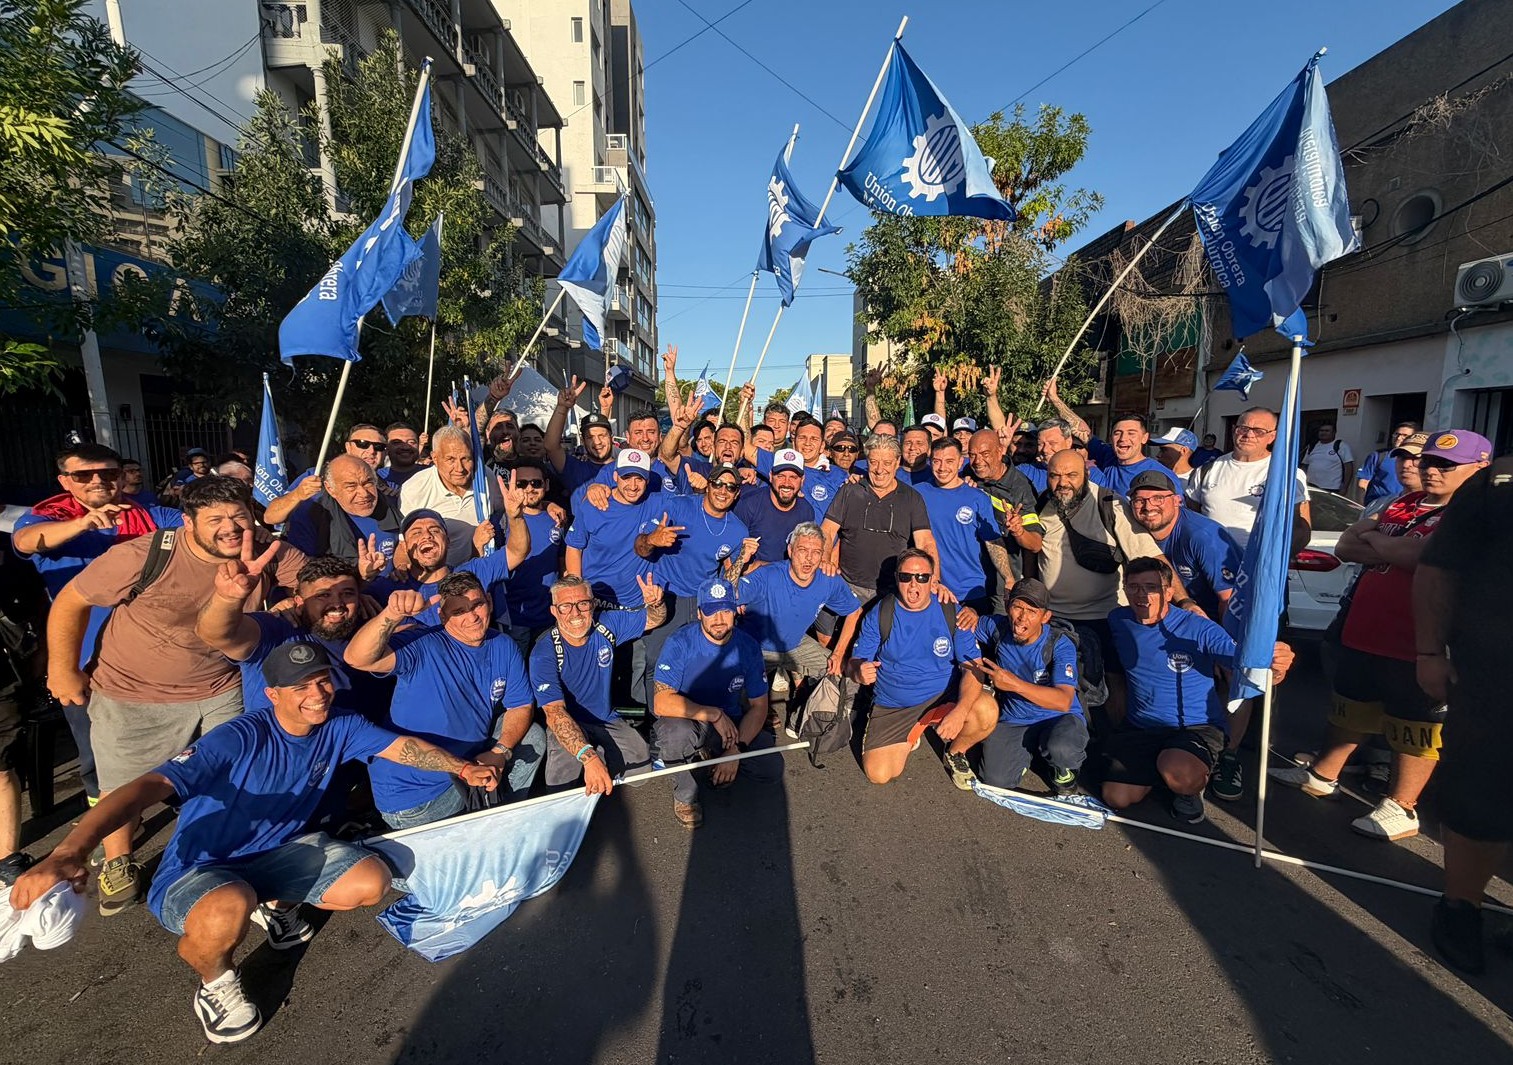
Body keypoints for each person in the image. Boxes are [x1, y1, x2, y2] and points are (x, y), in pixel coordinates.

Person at [8, 640, 500, 1043]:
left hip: (280, 853)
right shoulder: (239, 737)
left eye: (323, 679)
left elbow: (403, 748)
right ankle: (215, 982)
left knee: (370, 882)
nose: (318, 693)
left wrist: (462, 766)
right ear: (273, 694)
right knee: (228, 905)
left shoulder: (341, 726)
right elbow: (148, 787)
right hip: (200, 870)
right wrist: (69, 850)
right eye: (300, 686)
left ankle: (275, 907)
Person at [44, 478, 307, 913]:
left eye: (239, 516)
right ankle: (118, 859)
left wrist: (297, 601)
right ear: (188, 523)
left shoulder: (264, 550)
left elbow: (317, 581)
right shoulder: (145, 553)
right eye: (216, 519)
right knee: (124, 786)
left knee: (232, 776)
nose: (231, 527)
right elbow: (71, 601)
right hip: (135, 689)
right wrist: (62, 668)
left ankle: (222, 854)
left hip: (222, 685)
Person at [1271, 431, 1489, 842]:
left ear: (1479, 467)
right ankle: (1324, 773)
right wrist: (1389, 543)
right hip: (1367, 627)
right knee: (1351, 706)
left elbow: (1422, 556)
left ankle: (1402, 805)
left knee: (1417, 723)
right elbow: (1347, 545)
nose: (1431, 470)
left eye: (1446, 465)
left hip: (1419, 639)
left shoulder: (1475, 513)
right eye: (1428, 462)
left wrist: (1382, 542)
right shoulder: (1400, 503)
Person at [14, 443, 184, 811]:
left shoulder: (151, 515)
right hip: (85, 655)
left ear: (121, 477)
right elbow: (26, 541)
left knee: (169, 736)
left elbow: (198, 528)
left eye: (107, 473)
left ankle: (173, 806)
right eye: (83, 475)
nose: (97, 481)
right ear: (65, 481)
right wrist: (81, 523)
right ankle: (109, 831)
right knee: (95, 751)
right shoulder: (48, 517)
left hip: (153, 650)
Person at [1414, 453, 1513, 974]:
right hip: (1498, 676)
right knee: (1481, 795)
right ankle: (1461, 907)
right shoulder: (1498, 483)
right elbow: (1438, 567)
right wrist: (1430, 651)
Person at [1103, 558, 1292, 824]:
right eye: (1133, 587)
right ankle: (1160, 769)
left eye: (1151, 587)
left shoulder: (1198, 628)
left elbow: (1249, 664)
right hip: (1142, 727)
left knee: (1179, 773)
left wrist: (1277, 667)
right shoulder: (1118, 620)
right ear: (1124, 589)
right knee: (1116, 797)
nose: (1142, 595)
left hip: (1193, 726)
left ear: (1169, 592)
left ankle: (1189, 788)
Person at [344, 573, 541, 828]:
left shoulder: (502, 644)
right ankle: (494, 823)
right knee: (486, 817)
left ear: (489, 601)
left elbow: (520, 704)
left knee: (533, 737)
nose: (471, 617)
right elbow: (357, 658)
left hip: (469, 762)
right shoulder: (422, 643)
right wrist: (391, 616)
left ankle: (495, 813)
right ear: (442, 615)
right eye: (458, 611)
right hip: (416, 798)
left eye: (477, 605)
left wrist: (499, 753)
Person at [1186, 405, 1314, 795]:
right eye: (1242, 427)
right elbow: (1189, 519)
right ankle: (1197, 744)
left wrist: (1270, 553)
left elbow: (1303, 530)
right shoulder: (1208, 471)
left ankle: (1230, 754)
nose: (1247, 434)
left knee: (1245, 669)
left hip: (1257, 586)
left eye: (1258, 431)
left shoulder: (1286, 473)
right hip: (1207, 585)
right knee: (1204, 666)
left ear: (1273, 435)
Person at [1027, 450, 1178, 727]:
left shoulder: (1109, 504)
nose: (1063, 482)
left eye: (1071, 475)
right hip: (1056, 618)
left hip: (1106, 615)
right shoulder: (1040, 506)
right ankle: (1070, 741)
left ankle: (1117, 743)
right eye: (1055, 475)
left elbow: (1151, 558)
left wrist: (1184, 601)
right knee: (1061, 683)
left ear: (1086, 472)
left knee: (1113, 680)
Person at [849, 549, 993, 788]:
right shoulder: (881, 613)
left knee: (986, 710)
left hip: (942, 695)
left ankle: (955, 752)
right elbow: (855, 661)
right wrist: (858, 670)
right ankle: (915, 729)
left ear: (933, 578)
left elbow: (973, 667)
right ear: (897, 578)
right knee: (879, 774)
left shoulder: (952, 611)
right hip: (895, 705)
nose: (914, 584)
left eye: (922, 577)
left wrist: (959, 711)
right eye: (906, 577)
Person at [195, 554, 391, 717]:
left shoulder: (371, 623)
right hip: (284, 755)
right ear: (299, 601)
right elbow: (217, 634)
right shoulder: (278, 629)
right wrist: (226, 598)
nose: (337, 603)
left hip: (359, 750)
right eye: (323, 595)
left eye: (347, 593)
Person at [651, 578, 773, 829]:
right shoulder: (679, 642)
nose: (719, 619)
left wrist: (735, 750)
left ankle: (715, 760)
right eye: (710, 612)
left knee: (769, 765)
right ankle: (685, 795)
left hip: (730, 726)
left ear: (735, 611)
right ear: (699, 614)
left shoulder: (748, 647)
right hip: (689, 720)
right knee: (674, 735)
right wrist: (714, 714)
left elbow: (760, 706)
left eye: (725, 610)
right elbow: (661, 702)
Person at [634, 460, 754, 708]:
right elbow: (640, 548)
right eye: (718, 483)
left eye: (730, 487)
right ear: (708, 485)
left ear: (737, 493)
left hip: (703, 602)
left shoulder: (738, 530)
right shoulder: (677, 505)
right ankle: (656, 724)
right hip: (667, 595)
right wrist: (653, 539)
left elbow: (728, 579)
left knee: (698, 660)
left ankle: (694, 722)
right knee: (657, 661)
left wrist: (743, 558)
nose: (723, 490)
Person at [532, 574, 666, 794]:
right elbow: (555, 713)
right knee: (558, 789)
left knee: (640, 774)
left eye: (582, 604)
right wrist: (589, 757)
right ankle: (596, 757)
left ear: (593, 605)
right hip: (568, 721)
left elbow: (655, 618)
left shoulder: (606, 624)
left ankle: (602, 756)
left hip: (606, 717)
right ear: (554, 611)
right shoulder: (543, 652)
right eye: (565, 606)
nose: (575, 613)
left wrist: (656, 603)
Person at [970, 578, 1088, 795]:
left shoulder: (1059, 644)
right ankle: (1030, 755)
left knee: (1061, 748)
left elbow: (1063, 701)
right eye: (1017, 607)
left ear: (1045, 617)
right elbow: (964, 626)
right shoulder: (997, 627)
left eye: (1032, 611)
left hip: (1058, 718)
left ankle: (1064, 771)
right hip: (1016, 718)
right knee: (995, 780)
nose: (1022, 617)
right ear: (1008, 607)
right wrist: (969, 613)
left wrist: (1014, 684)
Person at [737, 522, 862, 700]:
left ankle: (802, 718)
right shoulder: (767, 575)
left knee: (838, 672)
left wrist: (838, 653)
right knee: (735, 696)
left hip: (796, 645)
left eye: (816, 552)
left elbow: (855, 612)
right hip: (758, 648)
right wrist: (741, 560)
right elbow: (726, 595)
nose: (809, 559)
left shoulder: (828, 580)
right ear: (790, 551)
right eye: (803, 550)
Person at [820, 435, 941, 607]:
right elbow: (827, 531)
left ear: (897, 462)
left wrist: (933, 580)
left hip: (893, 590)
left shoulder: (912, 498)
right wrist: (824, 562)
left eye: (886, 463)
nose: (879, 469)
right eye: (874, 462)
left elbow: (926, 543)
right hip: (847, 586)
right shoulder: (849, 491)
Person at [1127, 471, 1241, 622]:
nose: (1148, 507)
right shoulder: (1132, 529)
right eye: (1139, 500)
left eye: (1158, 498)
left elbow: (1230, 600)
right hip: (1173, 616)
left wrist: (1224, 641)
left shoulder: (1202, 535)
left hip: (1212, 621)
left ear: (1177, 500)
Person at [918, 437, 1011, 611]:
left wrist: (1009, 578)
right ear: (930, 462)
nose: (942, 467)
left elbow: (993, 542)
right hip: (933, 588)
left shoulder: (977, 497)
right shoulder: (918, 493)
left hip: (973, 591)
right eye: (937, 461)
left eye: (949, 461)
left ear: (961, 462)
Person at [1041, 381, 1180, 495]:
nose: (1123, 439)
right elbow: (1080, 429)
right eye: (1117, 433)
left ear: (1144, 438)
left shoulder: (1161, 474)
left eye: (1131, 433)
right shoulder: (1108, 455)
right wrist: (1055, 399)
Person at [399, 425, 504, 567]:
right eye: (450, 459)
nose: (460, 468)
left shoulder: (485, 477)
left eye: (466, 458)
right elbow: (403, 546)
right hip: (436, 577)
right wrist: (402, 570)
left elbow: (501, 511)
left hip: (480, 570)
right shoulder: (415, 489)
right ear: (435, 458)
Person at [563, 449, 655, 609]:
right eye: (626, 477)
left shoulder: (657, 503)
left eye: (639, 478)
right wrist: (578, 595)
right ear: (615, 477)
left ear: (647, 481)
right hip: (595, 599)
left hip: (636, 604)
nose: (632, 486)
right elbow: (574, 547)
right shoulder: (594, 504)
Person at [963, 427, 1044, 598]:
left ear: (1000, 452)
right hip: (971, 579)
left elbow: (1035, 544)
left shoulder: (1020, 487)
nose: (978, 461)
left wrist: (1019, 531)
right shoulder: (967, 475)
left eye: (985, 454)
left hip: (1005, 584)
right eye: (972, 455)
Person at [283, 456, 400, 573]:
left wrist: (403, 561)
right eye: (351, 486)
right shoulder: (310, 516)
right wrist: (359, 576)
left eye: (368, 483)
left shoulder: (395, 506)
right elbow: (304, 574)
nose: (364, 493)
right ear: (330, 489)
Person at [500, 459, 564, 654]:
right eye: (521, 483)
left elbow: (562, 563)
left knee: (544, 675)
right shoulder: (501, 521)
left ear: (546, 485)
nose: (529, 488)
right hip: (514, 616)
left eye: (535, 483)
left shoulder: (557, 519)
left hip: (548, 616)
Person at [733, 449, 814, 569]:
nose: (787, 483)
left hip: (786, 577)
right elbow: (730, 553)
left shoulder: (806, 511)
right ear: (771, 477)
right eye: (780, 476)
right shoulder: (749, 504)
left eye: (793, 477)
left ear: (802, 481)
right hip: (751, 576)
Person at [1356, 421, 1418, 505]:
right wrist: (1360, 505)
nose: (1399, 438)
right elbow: (1363, 482)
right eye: (1396, 434)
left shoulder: (1420, 459)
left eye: (1405, 436)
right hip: (1376, 505)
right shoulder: (1378, 455)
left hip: (1403, 506)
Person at [1302, 423, 1355, 493]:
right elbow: (1305, 465)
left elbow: (1348, 467)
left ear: (1334, 433)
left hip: (1331, 488)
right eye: (1321, 430)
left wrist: (1345, 487)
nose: (1323, 433)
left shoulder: (1341, 446)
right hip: (1311, 486)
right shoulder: (1312, 445)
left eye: (1327, 431)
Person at [383, 422, 425, 486]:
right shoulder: (376, 478)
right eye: (397, 442)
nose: (405, 447)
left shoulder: (434, 475)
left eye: (411, 442)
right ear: (386, 447)